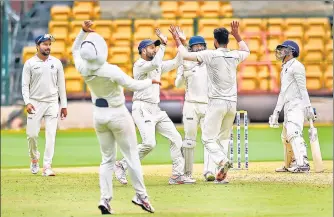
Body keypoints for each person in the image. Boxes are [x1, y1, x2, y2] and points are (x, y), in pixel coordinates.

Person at [72, 20, 158, 214]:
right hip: (118, 113)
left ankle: (105, 199)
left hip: (99, 116)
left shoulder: (82, 67)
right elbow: (133, 85)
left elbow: (74, 50)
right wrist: (151, 81)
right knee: (132, 156)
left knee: (107, 160)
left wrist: (81, 32)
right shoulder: (110, 69)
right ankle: (141, 197)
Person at [169, 21, 250, 183]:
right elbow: (246, 50)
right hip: (231, 103)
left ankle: (218, 163)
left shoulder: (210, 56)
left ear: (213, 42)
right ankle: (208, 172)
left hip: (214, 104)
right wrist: (237, 35)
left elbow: (184, 55)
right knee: (220, 138)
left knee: (208, 139)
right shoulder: (234, 54)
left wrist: (177, 40)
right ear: (228, 40)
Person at [114, 29, 190, 185]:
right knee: (149, 143)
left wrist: (182, 43)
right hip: (142, 108)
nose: (154, 49)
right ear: (143, 51)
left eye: (155, 47)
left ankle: (176, 175)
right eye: (151, 47)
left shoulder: (157, 65)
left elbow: (177, 61)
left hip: (156, 109)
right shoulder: (140, 65)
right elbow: (155, 63)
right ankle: (121, 165)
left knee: (176, 138)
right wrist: (162, 44)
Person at [22, 33, 67, 176]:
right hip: (35, 103)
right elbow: (24, 86)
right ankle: (34, 158)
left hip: (52, 102)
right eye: (45, 44)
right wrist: (27, 102)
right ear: (37, 46)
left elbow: (61, 86)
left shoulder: (56, 62)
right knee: (32, 135)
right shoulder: (30, 63)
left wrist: (64, 105)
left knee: (51, 134)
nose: (48, 47)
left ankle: (47, 166)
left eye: (49, 44)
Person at [269, 40, 316, 173]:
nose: (280, 52)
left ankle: (303, 163)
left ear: (291, 52)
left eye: (284, 49)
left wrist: (308, 107)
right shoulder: (285, 68)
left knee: (293, 132)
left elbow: (303, 89)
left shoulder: (297, 66)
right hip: (288, 105)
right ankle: (290, 164)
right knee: (285, 137)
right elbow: (283, 92)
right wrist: (276, 112)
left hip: (297, 104)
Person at [174, 35, 216, 182]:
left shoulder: (210, 60)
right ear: (191, 48)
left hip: (207, 105)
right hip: (191, 104)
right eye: (196, 47)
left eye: (201, 46)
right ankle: (187, 174)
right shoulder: (185, 62)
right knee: (189, 141)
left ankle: (209, 171)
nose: (199, 48)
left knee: (208, 140)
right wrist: (184, 74)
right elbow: (177, 84)